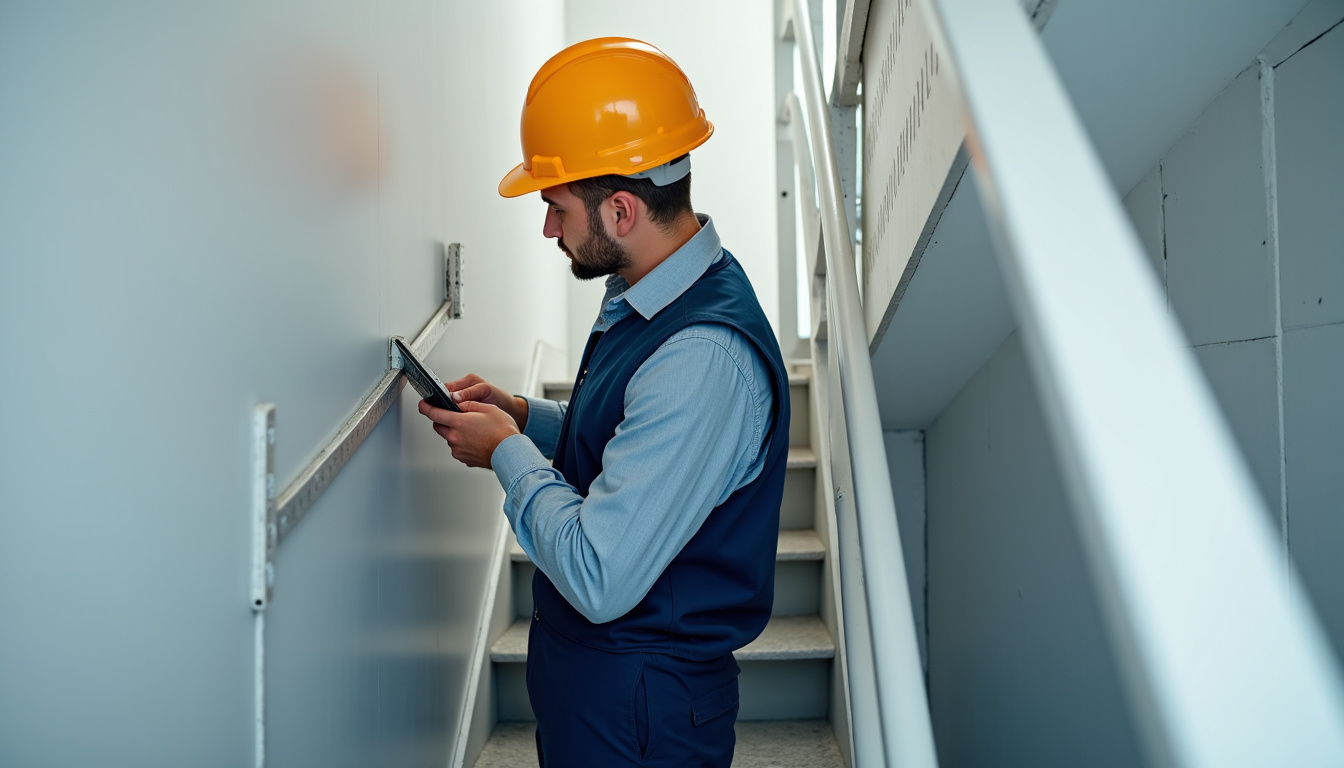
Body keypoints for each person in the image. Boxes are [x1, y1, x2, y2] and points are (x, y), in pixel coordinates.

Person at [416, 37, 790, 767]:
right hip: (604, 687)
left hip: (642, 707)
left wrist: (505, 454)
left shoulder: (701, 357)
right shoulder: (653, 291)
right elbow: (631, 436)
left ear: (620, 209)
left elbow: (597, 571)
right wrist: (527, 417)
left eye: (556, 207)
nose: (549, 228)